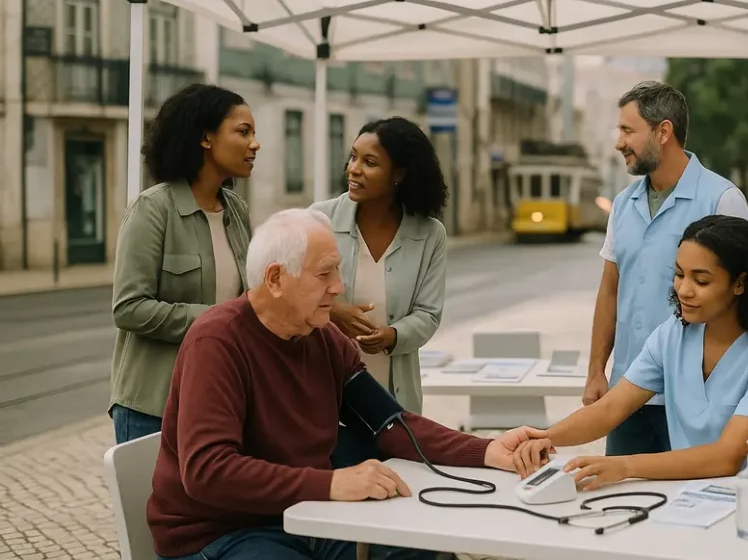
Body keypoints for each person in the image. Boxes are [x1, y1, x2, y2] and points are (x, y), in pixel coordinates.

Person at [148, 208, 542, 560]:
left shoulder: (324, 338)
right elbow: (208, 471)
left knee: (423, 551)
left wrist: (490, 451)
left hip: (309, 514)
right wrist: (334, 483)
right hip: (221, 533)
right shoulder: (217, 341)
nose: (338, 287)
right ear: (275, 278)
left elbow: (389, 424)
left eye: (336, 271)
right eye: (324, 274)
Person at [511, 215, 748, 487]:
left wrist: (624, 466)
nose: (684, 290)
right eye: (679, 275)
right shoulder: (673, 335)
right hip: (694, 497)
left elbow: (727, 457)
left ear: (740, 283)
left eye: (701, 280)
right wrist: (545, 438)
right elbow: (610, 409)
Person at [587, 81, 748, 458]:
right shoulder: (623, 204)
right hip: (626, 394)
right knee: (621, 501)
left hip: (697, 399)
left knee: (692, 505)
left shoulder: (722, 199)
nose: (619, 142)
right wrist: (596, 370)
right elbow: (610, 290)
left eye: (628, 131)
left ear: (663, 132)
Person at [109, 83, 258, 444]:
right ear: (206, 138)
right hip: (153, 406)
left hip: (220, 400)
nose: (255, 144)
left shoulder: (237, 211)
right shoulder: (153, 208)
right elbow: (128, 308)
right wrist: (217, 319)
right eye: (243, 132)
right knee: (152, 503)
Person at [311, 117, 448, 417]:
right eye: (353, 156)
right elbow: (287, 294)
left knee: (397, 463)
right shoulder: (319, 220)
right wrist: (334, 312)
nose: (353, 168)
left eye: (369, 162)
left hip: (395, 396)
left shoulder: (430, 234)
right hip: (325, 390)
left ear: (398, 174)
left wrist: (393, 335)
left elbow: (429, 314)